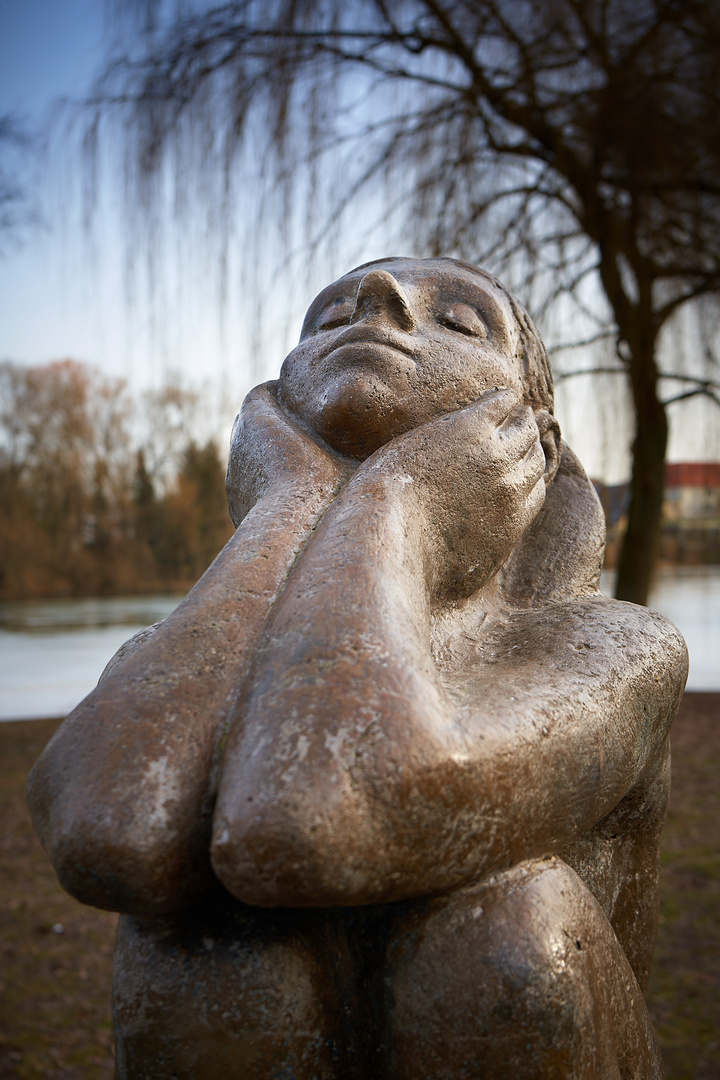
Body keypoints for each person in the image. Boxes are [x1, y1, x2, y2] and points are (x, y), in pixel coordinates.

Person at [28, 258, 687, 1079]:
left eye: (461, 322)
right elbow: (110, 833)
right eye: (329, 316)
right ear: (269, 414)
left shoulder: (613, 647)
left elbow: (320, 816)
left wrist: (398, 502)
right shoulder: (168, 659)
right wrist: (289, 506)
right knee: (199, 950)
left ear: (535, 443)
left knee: (495, 925)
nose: (379, 303)